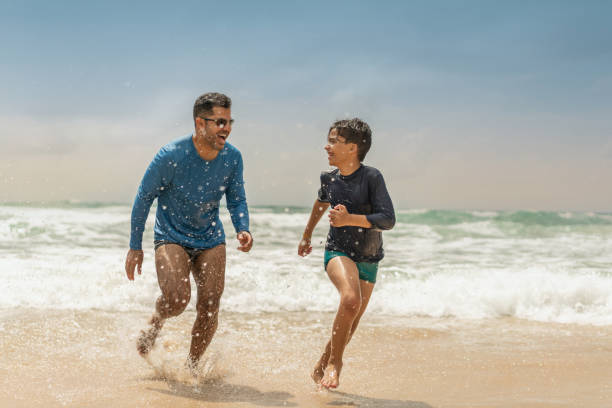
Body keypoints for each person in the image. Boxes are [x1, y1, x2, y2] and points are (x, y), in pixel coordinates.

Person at [124, 92, 253, 371]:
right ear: (200, 123)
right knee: (178, 299)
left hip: (210, 238)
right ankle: (157, 320)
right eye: (219, 122)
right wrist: (135, 247)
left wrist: (243, 228)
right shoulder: (171, 155)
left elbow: (237, 197)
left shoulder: (232, 158)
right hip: (171, 236)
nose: (226, 128)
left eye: (229, 122)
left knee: (210, 304)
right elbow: (144, 197)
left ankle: (192, 368)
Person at [298, 118, 395, 389]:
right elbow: (321, 202)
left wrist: (350, 218)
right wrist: (307, 235)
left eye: (333, 141)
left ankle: (320, 366)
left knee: (351, 319)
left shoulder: (372, 177)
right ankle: (335, 363)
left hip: (370, 255)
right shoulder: (329, 178)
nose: (326, 146)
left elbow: (387, 219)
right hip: (338, 250)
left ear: (353, 148)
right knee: (350, 301)